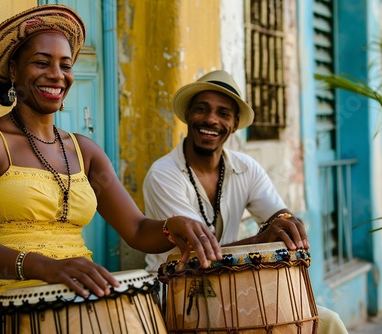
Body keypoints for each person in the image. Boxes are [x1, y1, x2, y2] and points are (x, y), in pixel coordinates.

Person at [0, 5, 221, 333]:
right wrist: (43, 266)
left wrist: (170, 227)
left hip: (82, 297)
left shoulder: (84, 151)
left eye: (65, 65)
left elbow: (135, 229)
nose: (57, 75)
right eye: (41, 63)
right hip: (11, 301)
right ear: (14, 72)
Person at [142, 70, 349, 334]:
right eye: (201, 109)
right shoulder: (163, 174)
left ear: (235, 123)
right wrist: (261, 239)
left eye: (223, 113)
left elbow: (277, 216)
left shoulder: (246, 167)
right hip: (181, 294)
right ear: (188, 115)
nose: (211, 120)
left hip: (234, 288)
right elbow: (197, 254)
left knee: (327, 322)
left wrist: (286, 223)